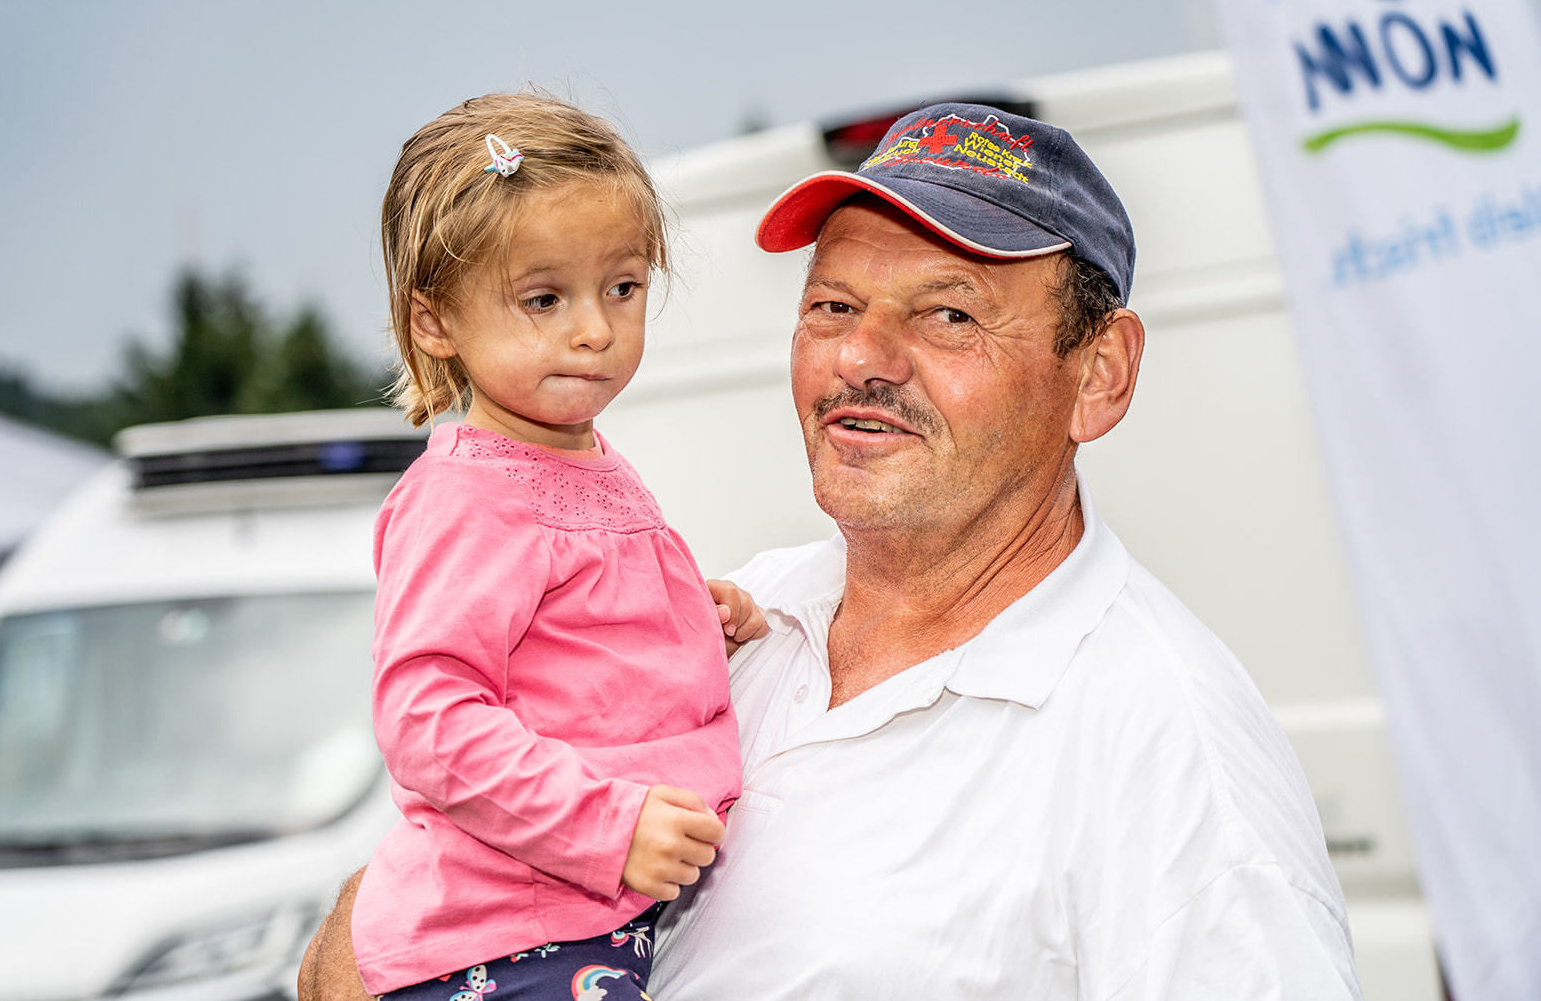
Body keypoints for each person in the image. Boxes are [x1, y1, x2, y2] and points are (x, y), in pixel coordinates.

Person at [302, 102, 1360, 999]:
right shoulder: (745, 616)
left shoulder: (1173, 754)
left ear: (1099, 374)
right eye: (832, 306)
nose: (861, 357)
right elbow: (361, 941)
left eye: (948, 314)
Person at [349, 93, 762, 1001]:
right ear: (434, 322)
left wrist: (695, 615)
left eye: (622, 287)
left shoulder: (582, 463)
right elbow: (428, 718)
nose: (595, 329)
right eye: (544, 298)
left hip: (582, 927)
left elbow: (574, 653)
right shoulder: (469, 494)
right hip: (501, 946)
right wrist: (608, 828)